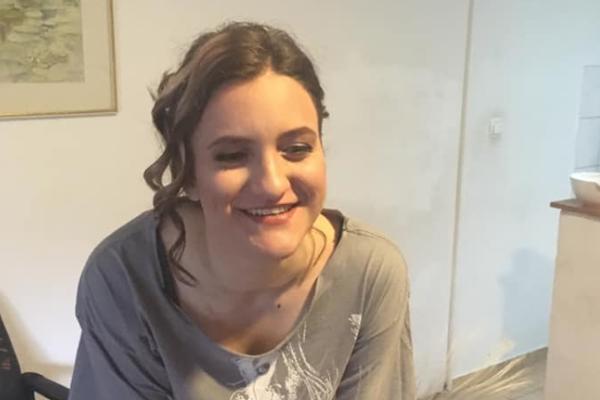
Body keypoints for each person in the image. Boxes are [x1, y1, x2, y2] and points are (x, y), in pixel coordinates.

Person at [69, 21, 416, 400]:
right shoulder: (124, 279)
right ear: (189, 172)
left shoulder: (369, 274)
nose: (272, 184)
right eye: (232, 155)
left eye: (297, 148)